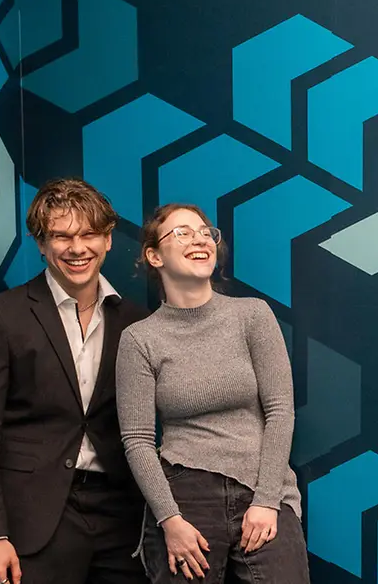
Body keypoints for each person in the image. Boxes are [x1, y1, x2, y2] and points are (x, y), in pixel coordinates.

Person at [0, 178, 153, 584]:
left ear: (108, 240)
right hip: (34, 519)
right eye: (61, 236)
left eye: (88, 234)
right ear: (41, 243)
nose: (77, 248)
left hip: (123, 517)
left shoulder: (136, 323)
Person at [117, 204, 310, 583]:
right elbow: (137, 440)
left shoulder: (252, 315)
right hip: (184, 497)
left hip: (262, 489)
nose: (200, 239)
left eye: (206, 231)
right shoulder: (139, 340)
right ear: (154, 256)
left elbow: (280, 411)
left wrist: (267, 501)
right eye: (183, 233)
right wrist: (170, 520)